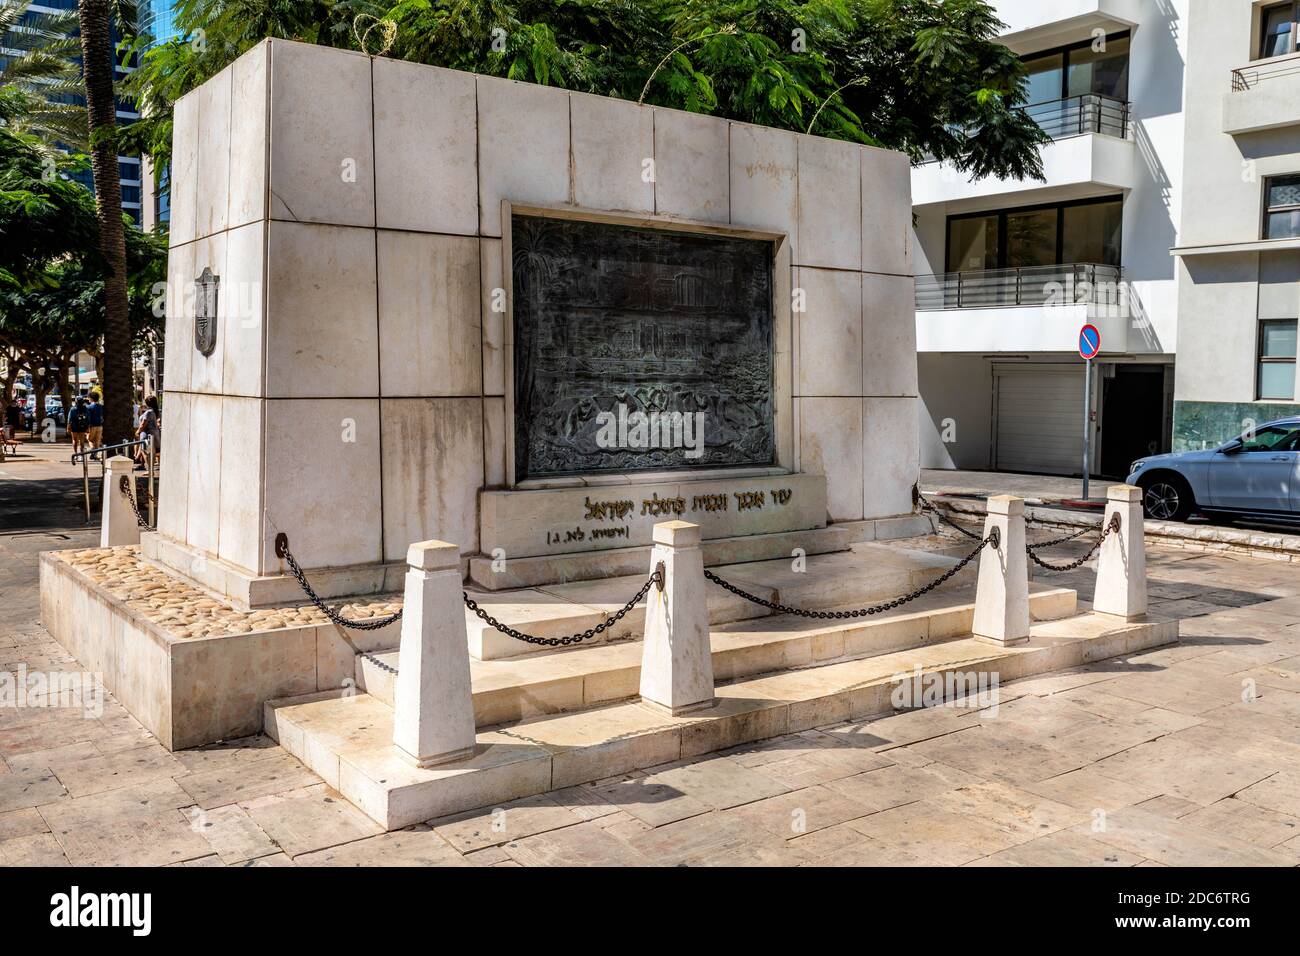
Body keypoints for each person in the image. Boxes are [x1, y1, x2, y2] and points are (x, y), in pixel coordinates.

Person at [135, 394, 161, 470]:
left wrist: (138, 431)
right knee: (151, 452)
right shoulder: (154, 411)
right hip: (153, 434)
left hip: (147, 434)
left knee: (146, 452)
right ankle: (145, 466)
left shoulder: (148, 412)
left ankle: (150, 470)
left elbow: (143, 423)